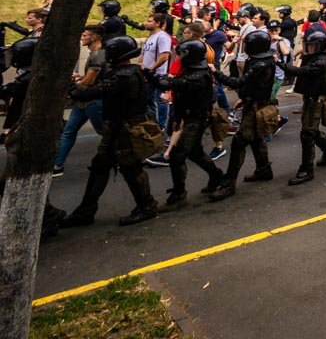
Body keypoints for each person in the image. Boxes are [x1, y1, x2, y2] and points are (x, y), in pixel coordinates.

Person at [60, 36, 160, 228]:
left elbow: (90, 93)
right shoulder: (130, 71)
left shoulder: (124, 76)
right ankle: (86, 210)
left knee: (130, 167)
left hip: (125, 127)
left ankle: (147, 205)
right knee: (101, 165)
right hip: (117, 125)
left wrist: (72, 85)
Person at [209, 29, 276, 201]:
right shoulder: (262, 60)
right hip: (253, 104)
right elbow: (254, 86)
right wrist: (245, 98)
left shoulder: (260, 63)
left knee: (240, 141)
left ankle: (229, 183)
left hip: (255, 108)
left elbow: (239, 82)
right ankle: (264, 169)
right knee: (255, 139)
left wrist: (216, 72)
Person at [159, 40, 225, 211]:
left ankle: (179, 194)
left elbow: (179, 86)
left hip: (196, 119)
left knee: (177, 155)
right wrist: (178, 118)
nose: (179, 57)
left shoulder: (199, 75)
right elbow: (181, 97)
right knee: (195, 152)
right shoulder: (191, 71)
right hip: (189, 117)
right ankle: (216, 176)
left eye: (182, 54)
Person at [281, 31, 326, 184]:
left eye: (312, 46)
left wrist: (279, 63)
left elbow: (301, 71)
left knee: (307, 133)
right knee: (311, 130)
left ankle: (307, 169)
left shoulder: (321, 61)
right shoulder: (315, 57)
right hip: (311, 98)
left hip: (316, 100)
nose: (309, 49)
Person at [52, 25, 107, 176]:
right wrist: (80, 78)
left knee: (104, 131)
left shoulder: (99, 53)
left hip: (93, 101)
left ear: (94, 37)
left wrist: (75, 85)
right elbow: (89, 77)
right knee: (69, 131)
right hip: (83, 100)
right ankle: (57, 165)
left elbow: (91, 80)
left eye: (84, 35)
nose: (82, 38)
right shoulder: (93, 53)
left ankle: (123, 157)